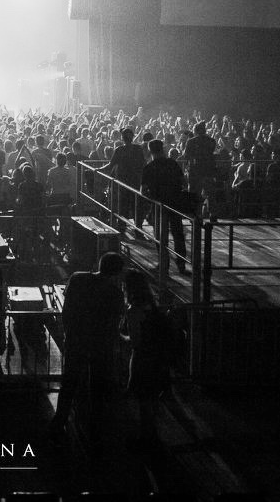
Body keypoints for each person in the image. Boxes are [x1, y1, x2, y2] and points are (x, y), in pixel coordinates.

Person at [48, 252, 126, 439]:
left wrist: (68, 332)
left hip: (76, 339)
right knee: (97, 386)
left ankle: (60, 421)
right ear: (117, 272)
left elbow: (67, 310)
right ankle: (95, 428)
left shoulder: (78, 278)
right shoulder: (115, 294)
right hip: (100, 345)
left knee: (69, 382)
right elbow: (114, 324)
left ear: (100, 264)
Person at [121, 270, 177, 448]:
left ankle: (146, 439)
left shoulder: (133, 311)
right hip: (157, 359)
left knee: (143, 401)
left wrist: (120, 336)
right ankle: (153, 437)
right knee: (152, 400)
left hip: (142, 360)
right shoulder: (151, 306)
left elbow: (136, 342)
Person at [140, 140, 190, 276]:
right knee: (178, 234)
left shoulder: (149, 167)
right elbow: (184, 182)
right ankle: (181, 264)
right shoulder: (173, 164)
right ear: (162, 149)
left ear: (150, 151)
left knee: (160, 237)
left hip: (159, 205)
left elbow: (143, 191)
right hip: (175, 203)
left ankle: (164, 265)